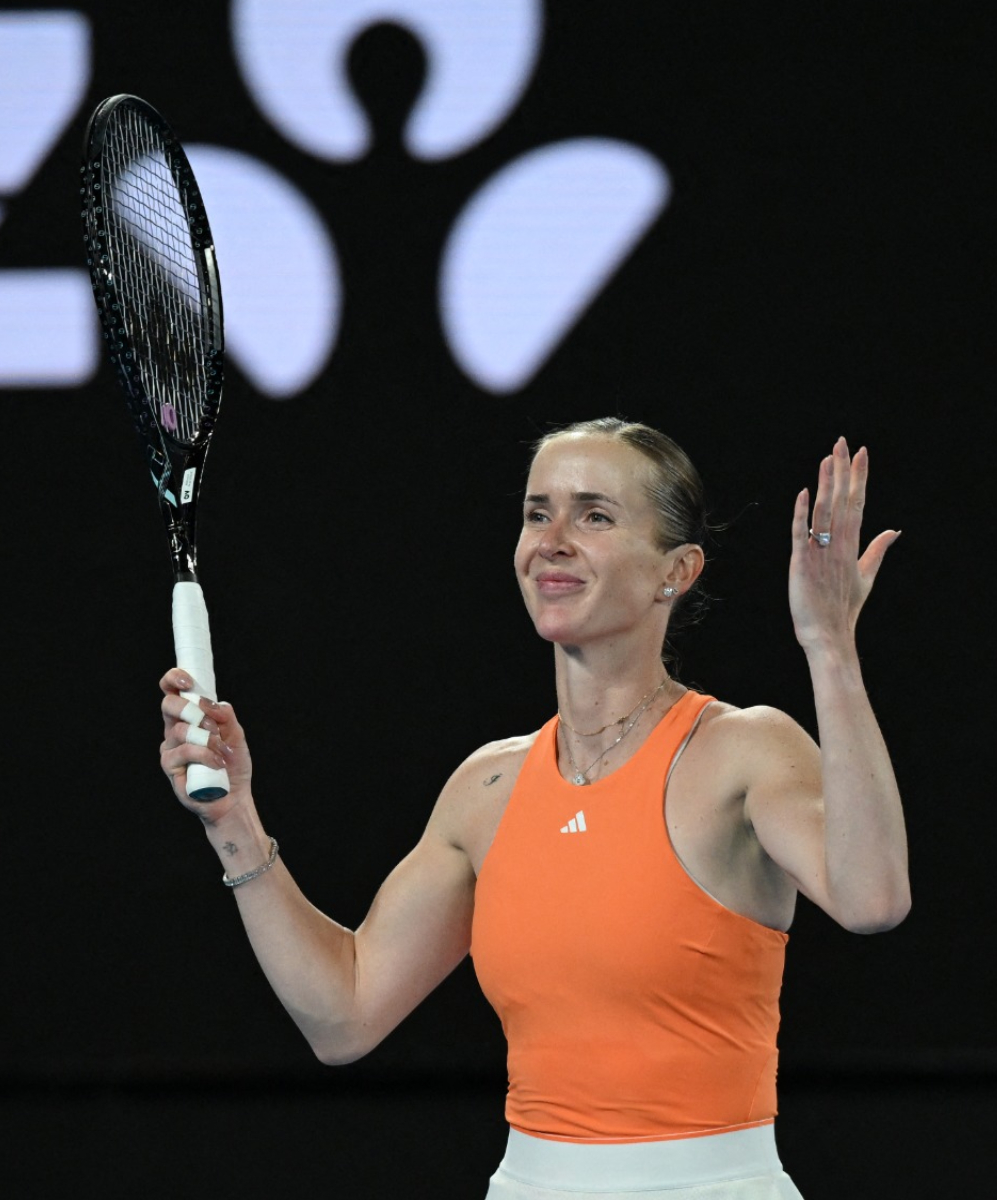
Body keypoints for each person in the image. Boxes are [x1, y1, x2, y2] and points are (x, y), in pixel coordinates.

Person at [158, 419, 909, 1198]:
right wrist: (234, 822)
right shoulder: (486, 788)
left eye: (594, 515)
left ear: (676, 570)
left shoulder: (744, 751)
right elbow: (344, 1017)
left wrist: (830, 650)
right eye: (537, 513)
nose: (551, 542)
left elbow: (873, 899)